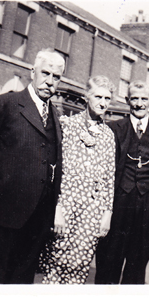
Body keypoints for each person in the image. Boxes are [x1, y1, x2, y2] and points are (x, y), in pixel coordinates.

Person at [0, 49, 65, 284]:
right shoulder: (5, 103)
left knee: (20, 286)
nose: (50, 81)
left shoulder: (55, 114)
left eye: (56, 77)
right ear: (33, 72)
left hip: (36, 221)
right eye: (45, 73)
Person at [95, 80, 149, 284]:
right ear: (127, 100)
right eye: (135, 99)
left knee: (138, 263)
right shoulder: (113, 128)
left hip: (147, 204)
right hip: (118, 202)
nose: (139, 104)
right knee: (109, 260)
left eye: (144, 99)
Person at [39, 75, 116, 284]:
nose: (103, 103)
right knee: (55, 267)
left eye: (107, 98)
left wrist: (106, 215)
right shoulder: (67, 126)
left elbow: (109, 179)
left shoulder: (109, 135)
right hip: (65, 207)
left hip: (92, 213)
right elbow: (54, 170)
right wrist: (57, 209)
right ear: (86, 97)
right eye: (98, 96)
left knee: (79, 269)